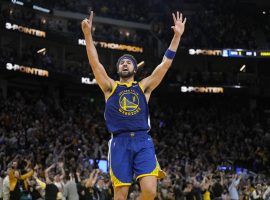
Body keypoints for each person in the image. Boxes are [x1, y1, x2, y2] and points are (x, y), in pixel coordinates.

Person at [81, 10, 186, 200]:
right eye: (122, 62)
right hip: (119, 142)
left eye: (129, 62)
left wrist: (177, 37)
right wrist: (88, 35)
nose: (125, 64)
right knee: (120, 195)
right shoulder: (109, 86)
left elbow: (165, 64)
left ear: (135, 69)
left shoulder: (144, 87)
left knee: (150, 191)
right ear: (118, 68)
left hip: (142, 139)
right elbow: (95, 63)